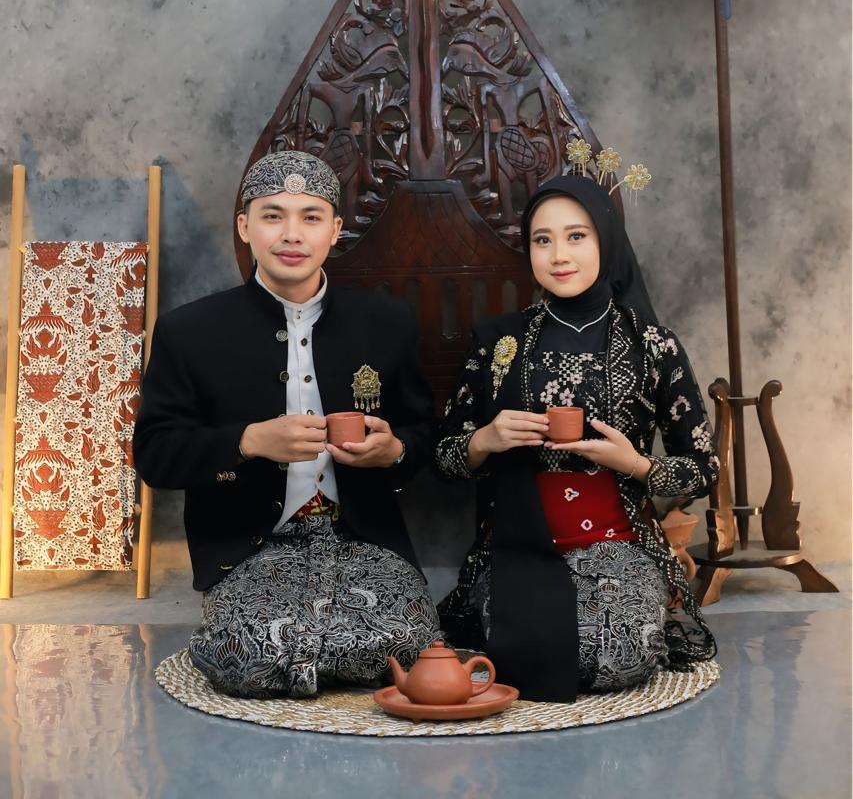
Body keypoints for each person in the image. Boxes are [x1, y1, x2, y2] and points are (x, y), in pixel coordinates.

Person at [133, 150, 439, 698]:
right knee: (244, 656)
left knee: (410, 640)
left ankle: (308, 660)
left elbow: (424, 433)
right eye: (272, 216)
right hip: (250, 548)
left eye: (311, 217)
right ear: (244, 227)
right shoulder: (189, 331)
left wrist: (393, 451)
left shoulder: (386, 323)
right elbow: (155, 456)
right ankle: (317, 656)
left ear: (335, 231)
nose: (291, 234)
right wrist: (247, 441)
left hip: (362, 539)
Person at [435, 174, 718, 703]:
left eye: (576, 236)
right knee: (524, 654)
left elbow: (703, 469)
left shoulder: (652, 345)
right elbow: (444, 459)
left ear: (605, 241)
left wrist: (636, 464)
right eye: (542, 240)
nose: (558, 255)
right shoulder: (499, 341)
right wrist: (486, 439)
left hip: (619, 544)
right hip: (519, 545)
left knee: (617, 653)